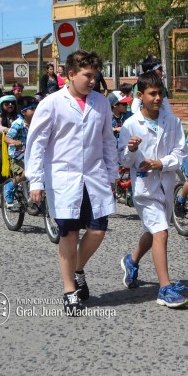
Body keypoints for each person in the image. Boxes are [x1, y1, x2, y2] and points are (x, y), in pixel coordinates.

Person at [25, 50, 118, 317]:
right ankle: (69, 290)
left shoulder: (101, 103)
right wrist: (36, 180)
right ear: (70, 75)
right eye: (87, 76)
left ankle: (77, 268)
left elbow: (108, 140)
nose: (92, 81)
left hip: (95, 175)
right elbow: (37, 143)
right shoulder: (52, 103)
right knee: (69, 233)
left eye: (95, 76)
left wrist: (112, 174)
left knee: (98, 231)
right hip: (63, 178)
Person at [117, 71, 188, 307]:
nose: (158, 98)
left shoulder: (172, 121)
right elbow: (123, 161)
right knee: (161, 232)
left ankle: (131, 259)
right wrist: (130, 149)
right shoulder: (130, 124)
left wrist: (162, 163)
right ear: (140, 95)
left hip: (166, 184)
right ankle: (165, 288)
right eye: (152, 94)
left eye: (161, 93)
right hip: (144, 188)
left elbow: (181, 153)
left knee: (154, 230)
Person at [3, 96, 38, 211]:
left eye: (36, 108)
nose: (35, 110)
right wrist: (14, 142)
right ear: (23, 112)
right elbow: (7, 138)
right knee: (25, 174)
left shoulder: (36, 123)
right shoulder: (18, 123)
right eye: (32, 109)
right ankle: (10, 186)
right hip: (17, 155)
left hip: (32, 154)